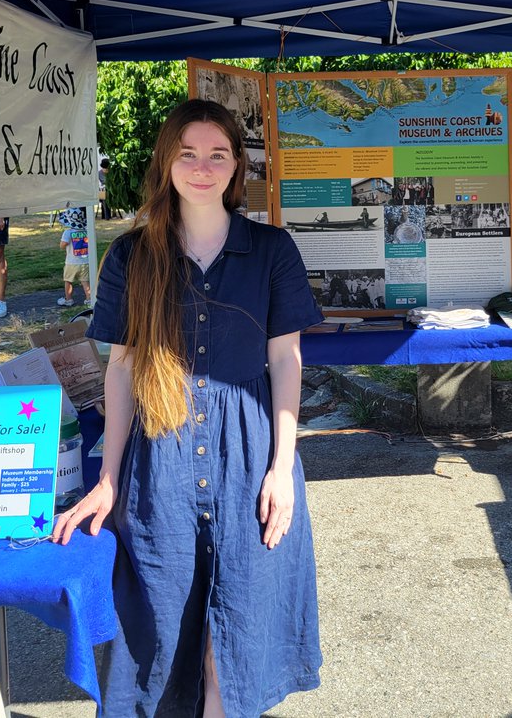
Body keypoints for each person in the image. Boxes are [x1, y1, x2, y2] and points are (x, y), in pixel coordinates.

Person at [51, 100, 323, 716]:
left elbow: (286, 361)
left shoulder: (273, 250)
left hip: (252, 458)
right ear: (166, 160)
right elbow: (120, 369)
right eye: (188, 153)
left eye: (217, 154)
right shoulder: (131, 256)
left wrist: (283, 469)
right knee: (161, 636)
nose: (202, 167)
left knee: (237, 641)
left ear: (237, 166)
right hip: (159, 464)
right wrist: (109, 479)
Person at [56, 208, 92, 307]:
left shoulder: (68, 232)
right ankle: (89, 299)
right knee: (85, 281)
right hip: (85, 261)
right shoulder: (86, 231)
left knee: (68, 281)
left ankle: (68, 299)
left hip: (71, 262)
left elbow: (62, 245)